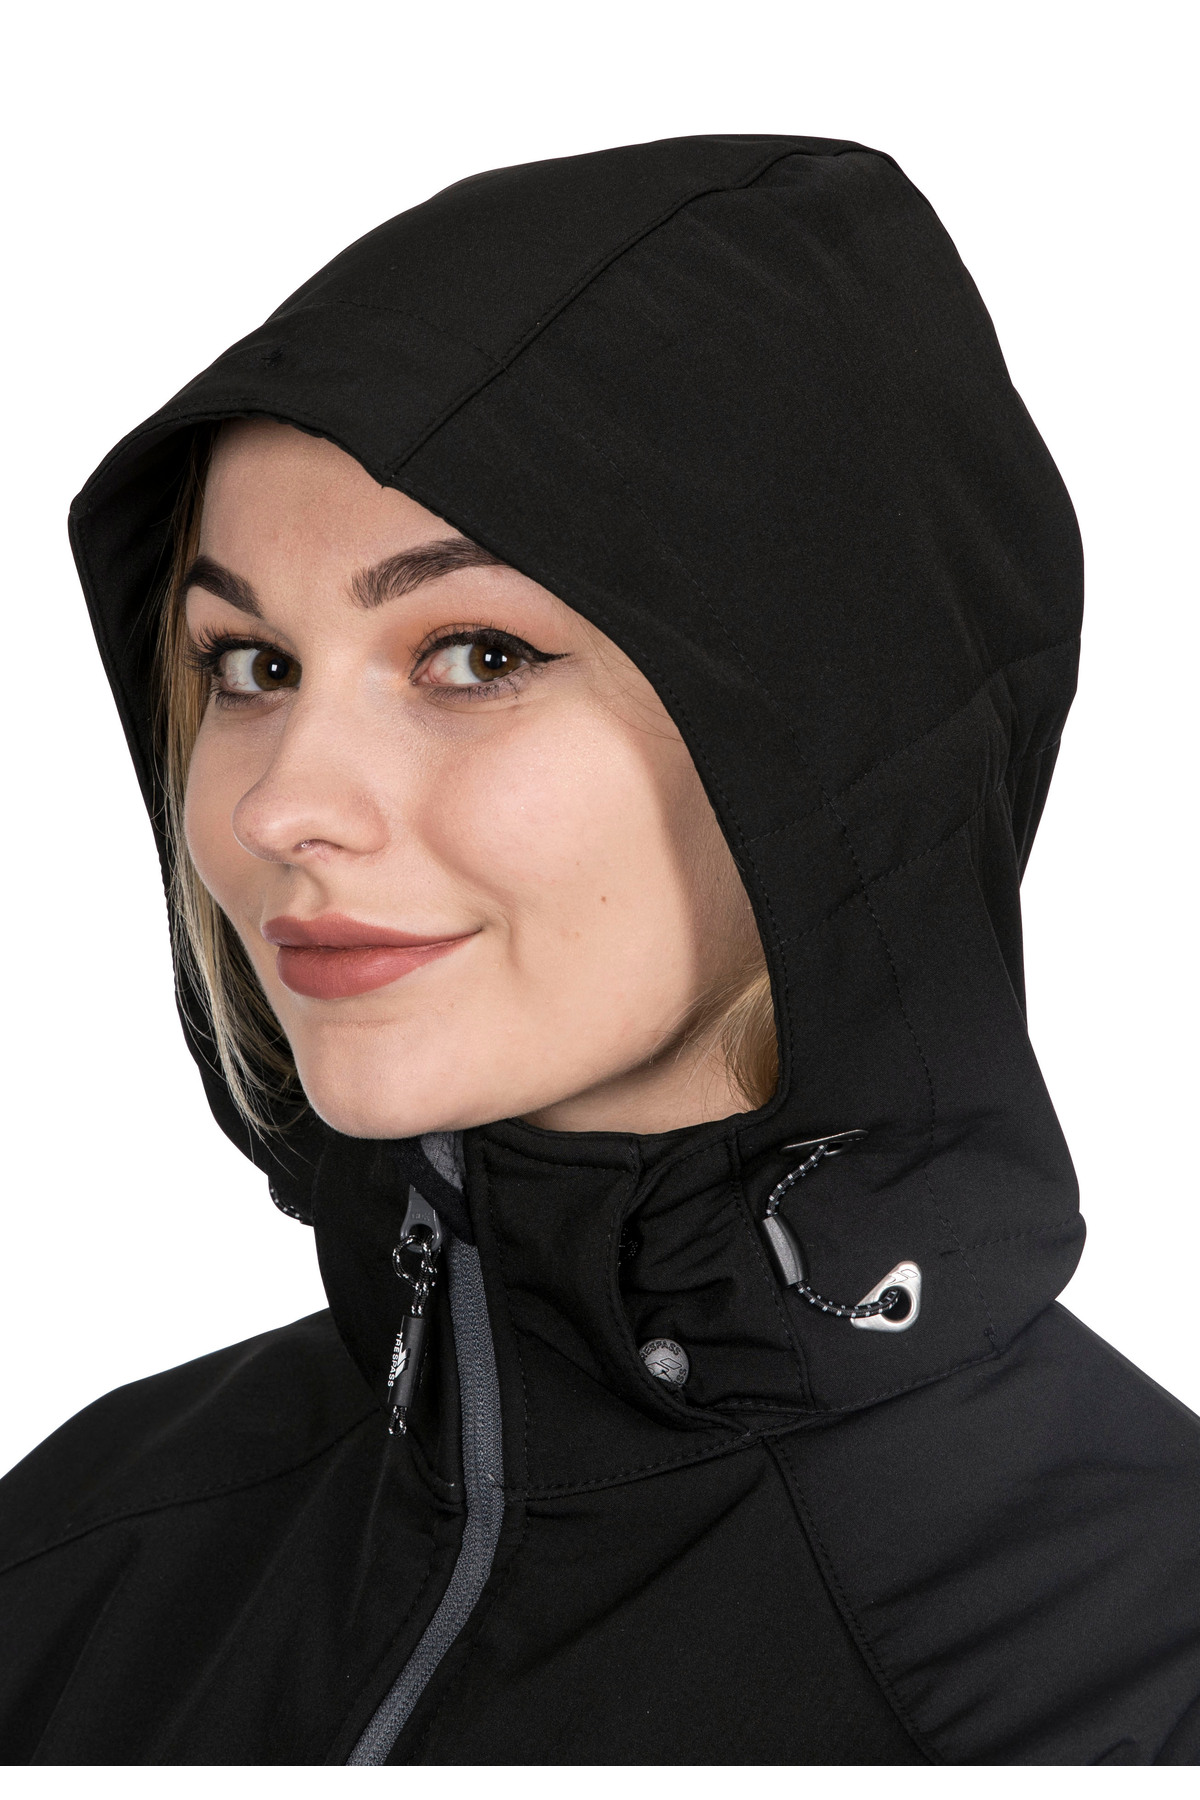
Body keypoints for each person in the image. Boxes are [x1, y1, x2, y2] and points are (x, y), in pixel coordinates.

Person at [1, 133, 1197, 1767]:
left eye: (475, 654)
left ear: (821, 736)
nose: (281, 804)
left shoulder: (1127, 1695)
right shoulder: (88, 1555)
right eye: (253, 664)